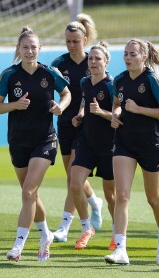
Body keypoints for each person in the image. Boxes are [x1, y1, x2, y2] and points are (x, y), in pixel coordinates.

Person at [0, 27, 71, 262]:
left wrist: (61, 107)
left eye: (33, 47)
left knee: (28, 191)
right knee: (31, 195)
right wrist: (13, 105)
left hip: (45, 139)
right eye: (25, 47)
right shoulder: (9, 75)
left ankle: (18, 246)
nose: (29, 51)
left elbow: (67, 93)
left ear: (39, 49)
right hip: (18, 141)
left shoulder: (49, 73)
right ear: (19, 49)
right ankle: (46, 235)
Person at [104, 38, 159, 266]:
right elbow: (116, 103)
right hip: (124, 142)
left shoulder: (153, 79)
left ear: (144, 56)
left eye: (133, 54)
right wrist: (115, 113)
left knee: (153, 198)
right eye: (125, 54)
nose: (128, 58)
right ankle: (120, 249)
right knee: (122, 195)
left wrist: (139, 109)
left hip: (150, 144)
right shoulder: (120, 80)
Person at [50, 14, 103, 242]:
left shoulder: (92, 62)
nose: (72, 45)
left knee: (74, 176)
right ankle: (93, 201)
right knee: (72, 177)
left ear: (85, 39)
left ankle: (64, 225)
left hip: (87, 124)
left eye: (76, 41)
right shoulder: (58, 64)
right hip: (65, 123)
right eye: (68, 41)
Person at [70, 42, 116, 250]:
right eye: (91, 59)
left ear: (106, 62)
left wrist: (100, 113)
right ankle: (86, 228)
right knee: (74, 184)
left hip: (110, 146)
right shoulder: (85, 82)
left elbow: (119, 117)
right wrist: (80, 115)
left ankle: (117, 233)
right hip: (87, 142)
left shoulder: (113, 86)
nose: (94, 62)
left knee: (111, 195)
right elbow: (83, 101)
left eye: (98, 59)